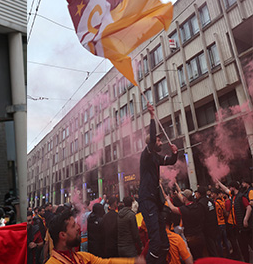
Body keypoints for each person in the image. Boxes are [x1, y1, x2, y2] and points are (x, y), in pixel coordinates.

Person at [138, 104, 178, 264]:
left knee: (164, 243)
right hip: (147, 200)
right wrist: (152, 116)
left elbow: (172, 161)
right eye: (159, 140)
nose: (161, 142)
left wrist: (176, 152)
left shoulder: (156, 157)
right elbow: (153, 135)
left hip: (155, 201)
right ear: (152, 142)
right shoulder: (146, 155)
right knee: (155, 241)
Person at [46, 209, 145, 264]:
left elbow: (107, 263)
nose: (78, 227)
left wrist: (133, 262)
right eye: (73, 226)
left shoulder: (83, 257)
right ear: (62, 235)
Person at [164, 188, 205, 260]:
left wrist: (167, 199)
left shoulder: (185, 209)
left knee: (194, 258)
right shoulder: (197, 205)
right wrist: (177, 194)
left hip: (191, 237)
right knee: (201, 256)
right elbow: (185, 201)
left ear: (185, 198)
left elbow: (173, 209)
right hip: (200, 235)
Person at [195, 186, 218, 257]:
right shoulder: (210, 200)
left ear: (199, 194)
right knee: (215, 245)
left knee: (211, 248)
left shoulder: (200, 204)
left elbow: (200, 218)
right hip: (214, 226)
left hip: (207, 229)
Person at [211, 189, 233, 257]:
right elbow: (225, 213)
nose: (211, 195)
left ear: (215, 194)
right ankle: (229, 254)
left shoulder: (214, 203)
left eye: (212, 193)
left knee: (219, 242)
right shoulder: (222, 202)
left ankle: (221, 256)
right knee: (225, 240)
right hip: (223, 222)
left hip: (218, 223)